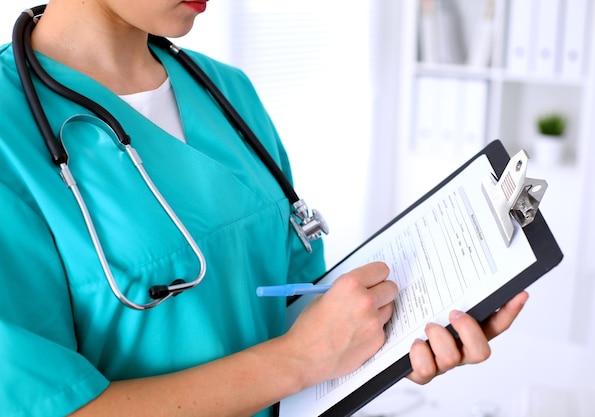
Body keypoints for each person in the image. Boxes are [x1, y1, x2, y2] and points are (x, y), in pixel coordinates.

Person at [0, 1, 529, 416]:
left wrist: (391, 338)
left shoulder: (226, 91)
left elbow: (299, 308)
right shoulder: (10, 133)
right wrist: (301, 360)